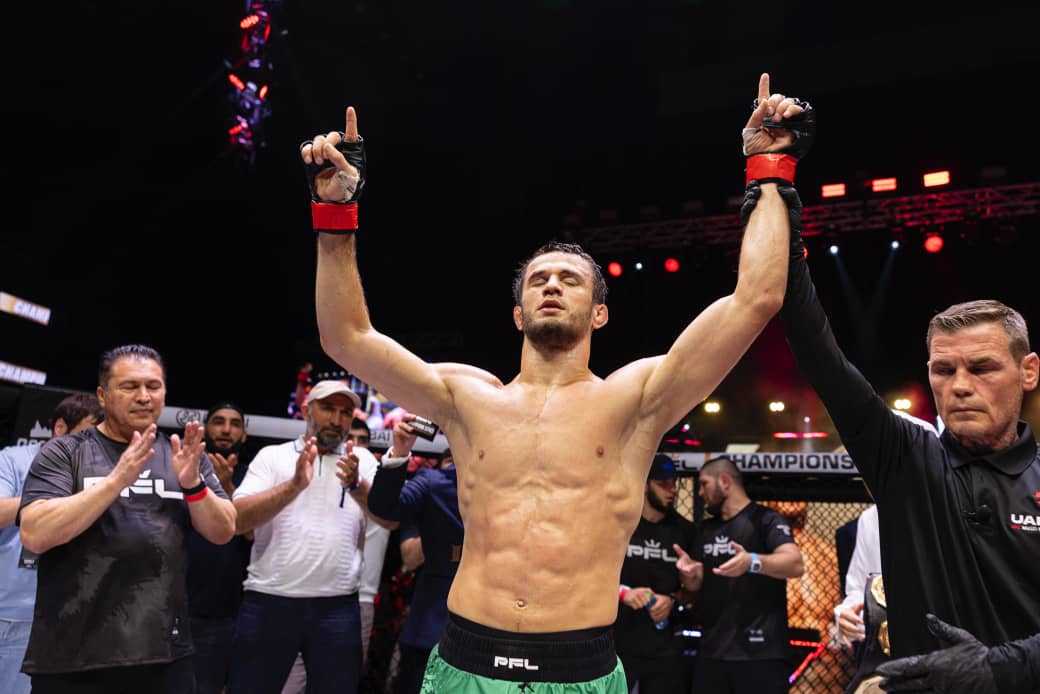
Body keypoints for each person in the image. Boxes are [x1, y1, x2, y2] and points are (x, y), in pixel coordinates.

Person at [302, 72, 812, 691]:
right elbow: (347, 339)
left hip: (579, 670)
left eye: (570, 280)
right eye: (538, 279)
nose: (551, 284)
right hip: (465, 664)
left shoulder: (636, 400)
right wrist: (335, 214)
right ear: (518, 314)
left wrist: (769, 167)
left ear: (599, 314)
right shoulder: (465, 398)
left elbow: (757, 298)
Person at [779, 173, 1040, 690]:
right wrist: (776, 194)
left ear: (1027, 371)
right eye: (944, 371)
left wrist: (997, 668)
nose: (959, 386)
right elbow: (818, 352)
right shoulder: (906, 456)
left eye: (982, 368)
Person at [17, 343, 237, 692]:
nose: (144, 397)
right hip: (73, 656)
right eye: (130, 386)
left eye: (153, 386)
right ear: (102, 396)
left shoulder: (184, 456)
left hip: (165, 655)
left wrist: (193, 485)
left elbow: (224, 530)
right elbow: (35, 533)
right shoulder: (67, 450)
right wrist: (116, 480)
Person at [228, 379, 391, 694]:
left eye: (345, 412)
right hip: (271, 600)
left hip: (338, 605)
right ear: (306, 411)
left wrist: (356, 486)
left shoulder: (363, 461)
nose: (337, 419)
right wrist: (293, 487)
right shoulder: (272, 456)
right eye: (327, 408)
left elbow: (389, 520)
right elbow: (237, 520)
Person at [674, 455, 805, 694]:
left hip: (761, 654)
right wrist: (689, 576)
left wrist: (752, 562)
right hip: (712, 653)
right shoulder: (706, 529)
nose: (700, 493)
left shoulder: (764, 519)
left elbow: (795, 564)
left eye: (704, 484)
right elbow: (696, 586)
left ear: (725, 481)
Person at [0, 392, 103, 694]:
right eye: (88, 434)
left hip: (52, 619)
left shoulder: (100, 476)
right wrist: (49, 505)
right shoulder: (13, 459)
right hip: (5, 607)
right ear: (60, 428)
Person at [367, 414, 464, 694]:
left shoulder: (510, 489)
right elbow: (384, 507)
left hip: (493, 630)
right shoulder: (435, 483)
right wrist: (399, 453)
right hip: (433, 625)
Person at [614, 453, 696, 694]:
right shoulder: (620, 525)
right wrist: (623, 593)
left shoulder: (685, 531)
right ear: (644, 484)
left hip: (665, 644)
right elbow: (590, 577)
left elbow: (695, 593)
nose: (671, 490)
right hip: (618, 640)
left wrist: (672, 600)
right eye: (663, 484)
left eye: (674, 483)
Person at [188, 401, 254, 694]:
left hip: (223, 610)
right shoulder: (183, 470)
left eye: (235, 424)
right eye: (219, 422)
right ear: (205, 430)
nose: (226, 430)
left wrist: (227, 488)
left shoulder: (254, 477)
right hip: (173, 603)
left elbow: (252, 533)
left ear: (244, 436)